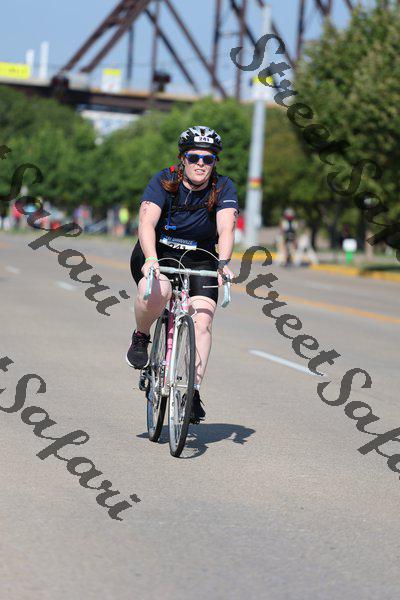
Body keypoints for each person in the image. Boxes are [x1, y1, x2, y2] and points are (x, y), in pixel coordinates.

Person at [127, 125, 239, 423]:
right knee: (159, 291)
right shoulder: (164, 180)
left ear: (214, 162)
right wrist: (151, 258)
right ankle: (141, 336)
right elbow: (146, 224)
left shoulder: (223, 187)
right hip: (158, 251)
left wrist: (223, 262)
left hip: (201, 256)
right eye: (194, 157)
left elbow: (226, 228)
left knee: (202, 319)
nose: (201, 164)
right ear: (182, 158)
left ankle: (192, 391)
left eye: (208, 159)